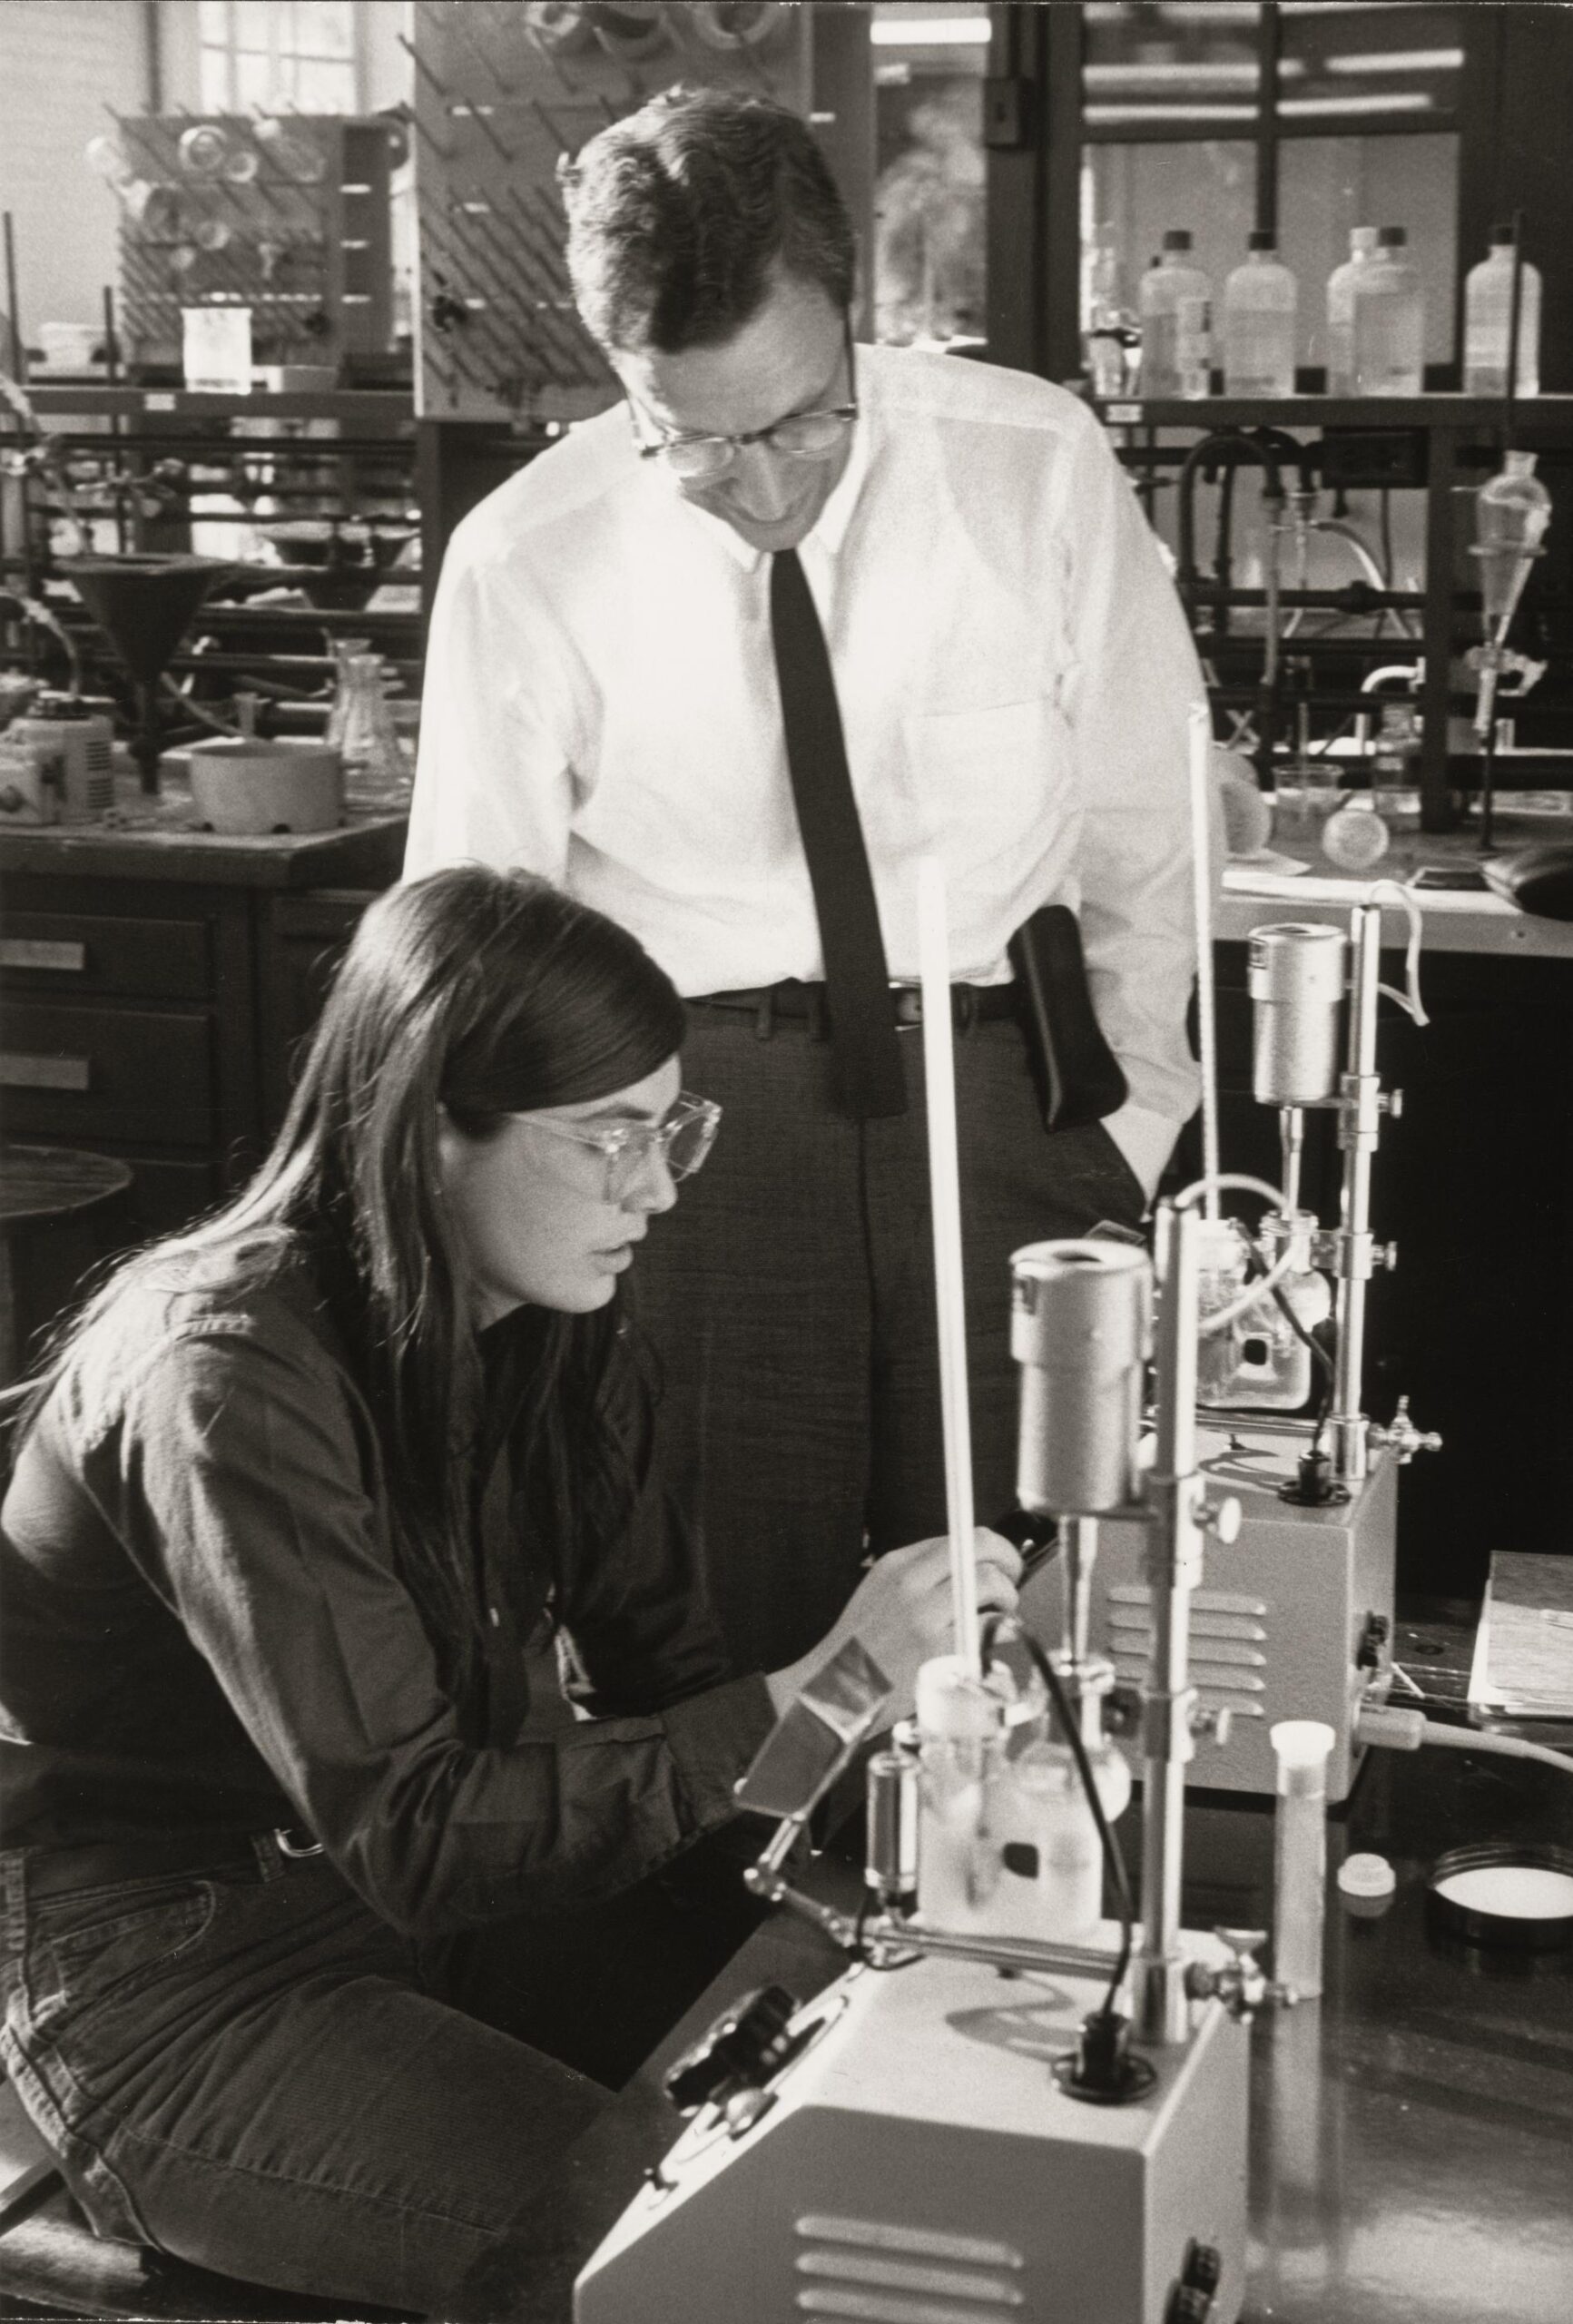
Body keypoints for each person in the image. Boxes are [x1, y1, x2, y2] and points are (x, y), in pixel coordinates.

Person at [0, 865, 1019, 2320]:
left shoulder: (552, 1316)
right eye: (611, 1139)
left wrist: (926, 1766)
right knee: (723, 2264)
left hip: (439, 1920)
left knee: (909, 2094)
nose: (659, 1188)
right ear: (426, 1134)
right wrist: (830, 1686)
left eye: (674, 1129)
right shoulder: (223, 1374)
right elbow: (412, 1832)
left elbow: (671, 1690)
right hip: (175, 1981)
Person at [407, 87, 1204, 1677]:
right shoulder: (527, 554)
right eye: (690, 440)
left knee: (1038, 1615)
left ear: (859, 315)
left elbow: (1147, 832)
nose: (761, 485)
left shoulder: (1029, 466)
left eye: (795, 422)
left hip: (1012, 1113)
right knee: (715, 1637)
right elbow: (473, 950)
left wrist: (1132, 1127)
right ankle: (735, 1931)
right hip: (696, 1138)